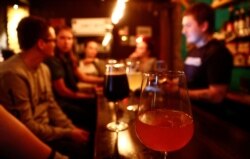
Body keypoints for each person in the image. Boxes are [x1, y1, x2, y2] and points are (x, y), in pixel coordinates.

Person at [0, 16, 90, 159]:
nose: (56, 44)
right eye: (53, 40)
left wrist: (71, 128)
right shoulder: (13, 74)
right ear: (41, 44)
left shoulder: (44, 68)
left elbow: (51, 104)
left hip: (47, 131)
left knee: (87, 142)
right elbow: (27, 127)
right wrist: (67, 133)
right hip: (31, 141)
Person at [44, 26, 99, 159]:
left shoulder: (69, 58)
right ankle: (93, 149)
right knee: (93, 111)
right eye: (62, 38)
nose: (66, 42)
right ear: (56, 40)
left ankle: (93, 146)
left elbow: (83, 77)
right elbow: (63, 92)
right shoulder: (53, 60)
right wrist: (88, 96)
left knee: (96, 104)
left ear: (73, 41)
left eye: (69, 38)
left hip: (71, 99)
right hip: (62, 103)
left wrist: (107, 78)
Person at [182, 3, 233, 105]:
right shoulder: (193, 50)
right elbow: (190, 80)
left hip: (207, 116)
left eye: (188, 25)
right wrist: (172, 83)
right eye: (183, 26)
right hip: (189, 110)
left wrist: (179, 93)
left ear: (204, 26)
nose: (183, 31)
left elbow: (217, 95)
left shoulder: (218, 52)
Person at [0, 105, 68, 159]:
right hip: (40, 135)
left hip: (46, 129)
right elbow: (29, 125)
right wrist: (67, 133)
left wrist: (68, 127)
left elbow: (51, 103)